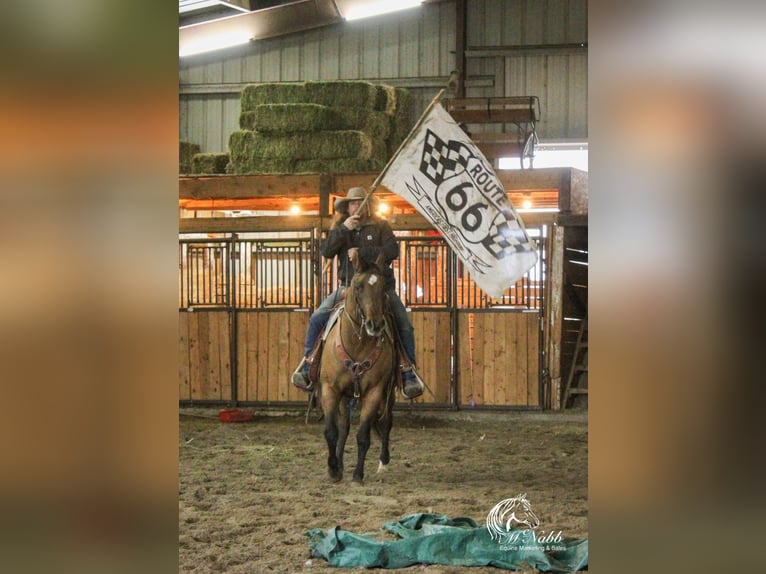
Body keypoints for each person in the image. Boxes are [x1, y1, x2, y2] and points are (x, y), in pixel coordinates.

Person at [291, 186, 424, 399]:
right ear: (348, 206)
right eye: (353, 203)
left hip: (381, 289)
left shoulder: (381, 227)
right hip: (348, 289)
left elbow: (392, 252)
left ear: (368, 206)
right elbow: (326, 251)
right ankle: (308, 366)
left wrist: (362, 252)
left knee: (404, 325)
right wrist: (343, 230)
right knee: (317, 318)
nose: (357, 206)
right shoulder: (342, 229)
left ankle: (408, 373)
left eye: (360, 202)